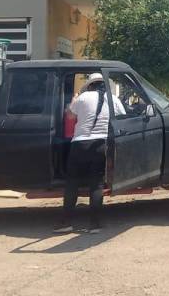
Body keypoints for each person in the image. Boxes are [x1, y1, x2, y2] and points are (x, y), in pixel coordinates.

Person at [55, 73, 125, 234]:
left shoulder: (83, 97)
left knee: (72, 183)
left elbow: (70, 115)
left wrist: (73, 99)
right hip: (101, 145)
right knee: (97, 184)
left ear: (90, 85)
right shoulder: (113, 99)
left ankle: (66, 222)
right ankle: (95, 224)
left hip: (79, 144)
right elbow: (122, 117)